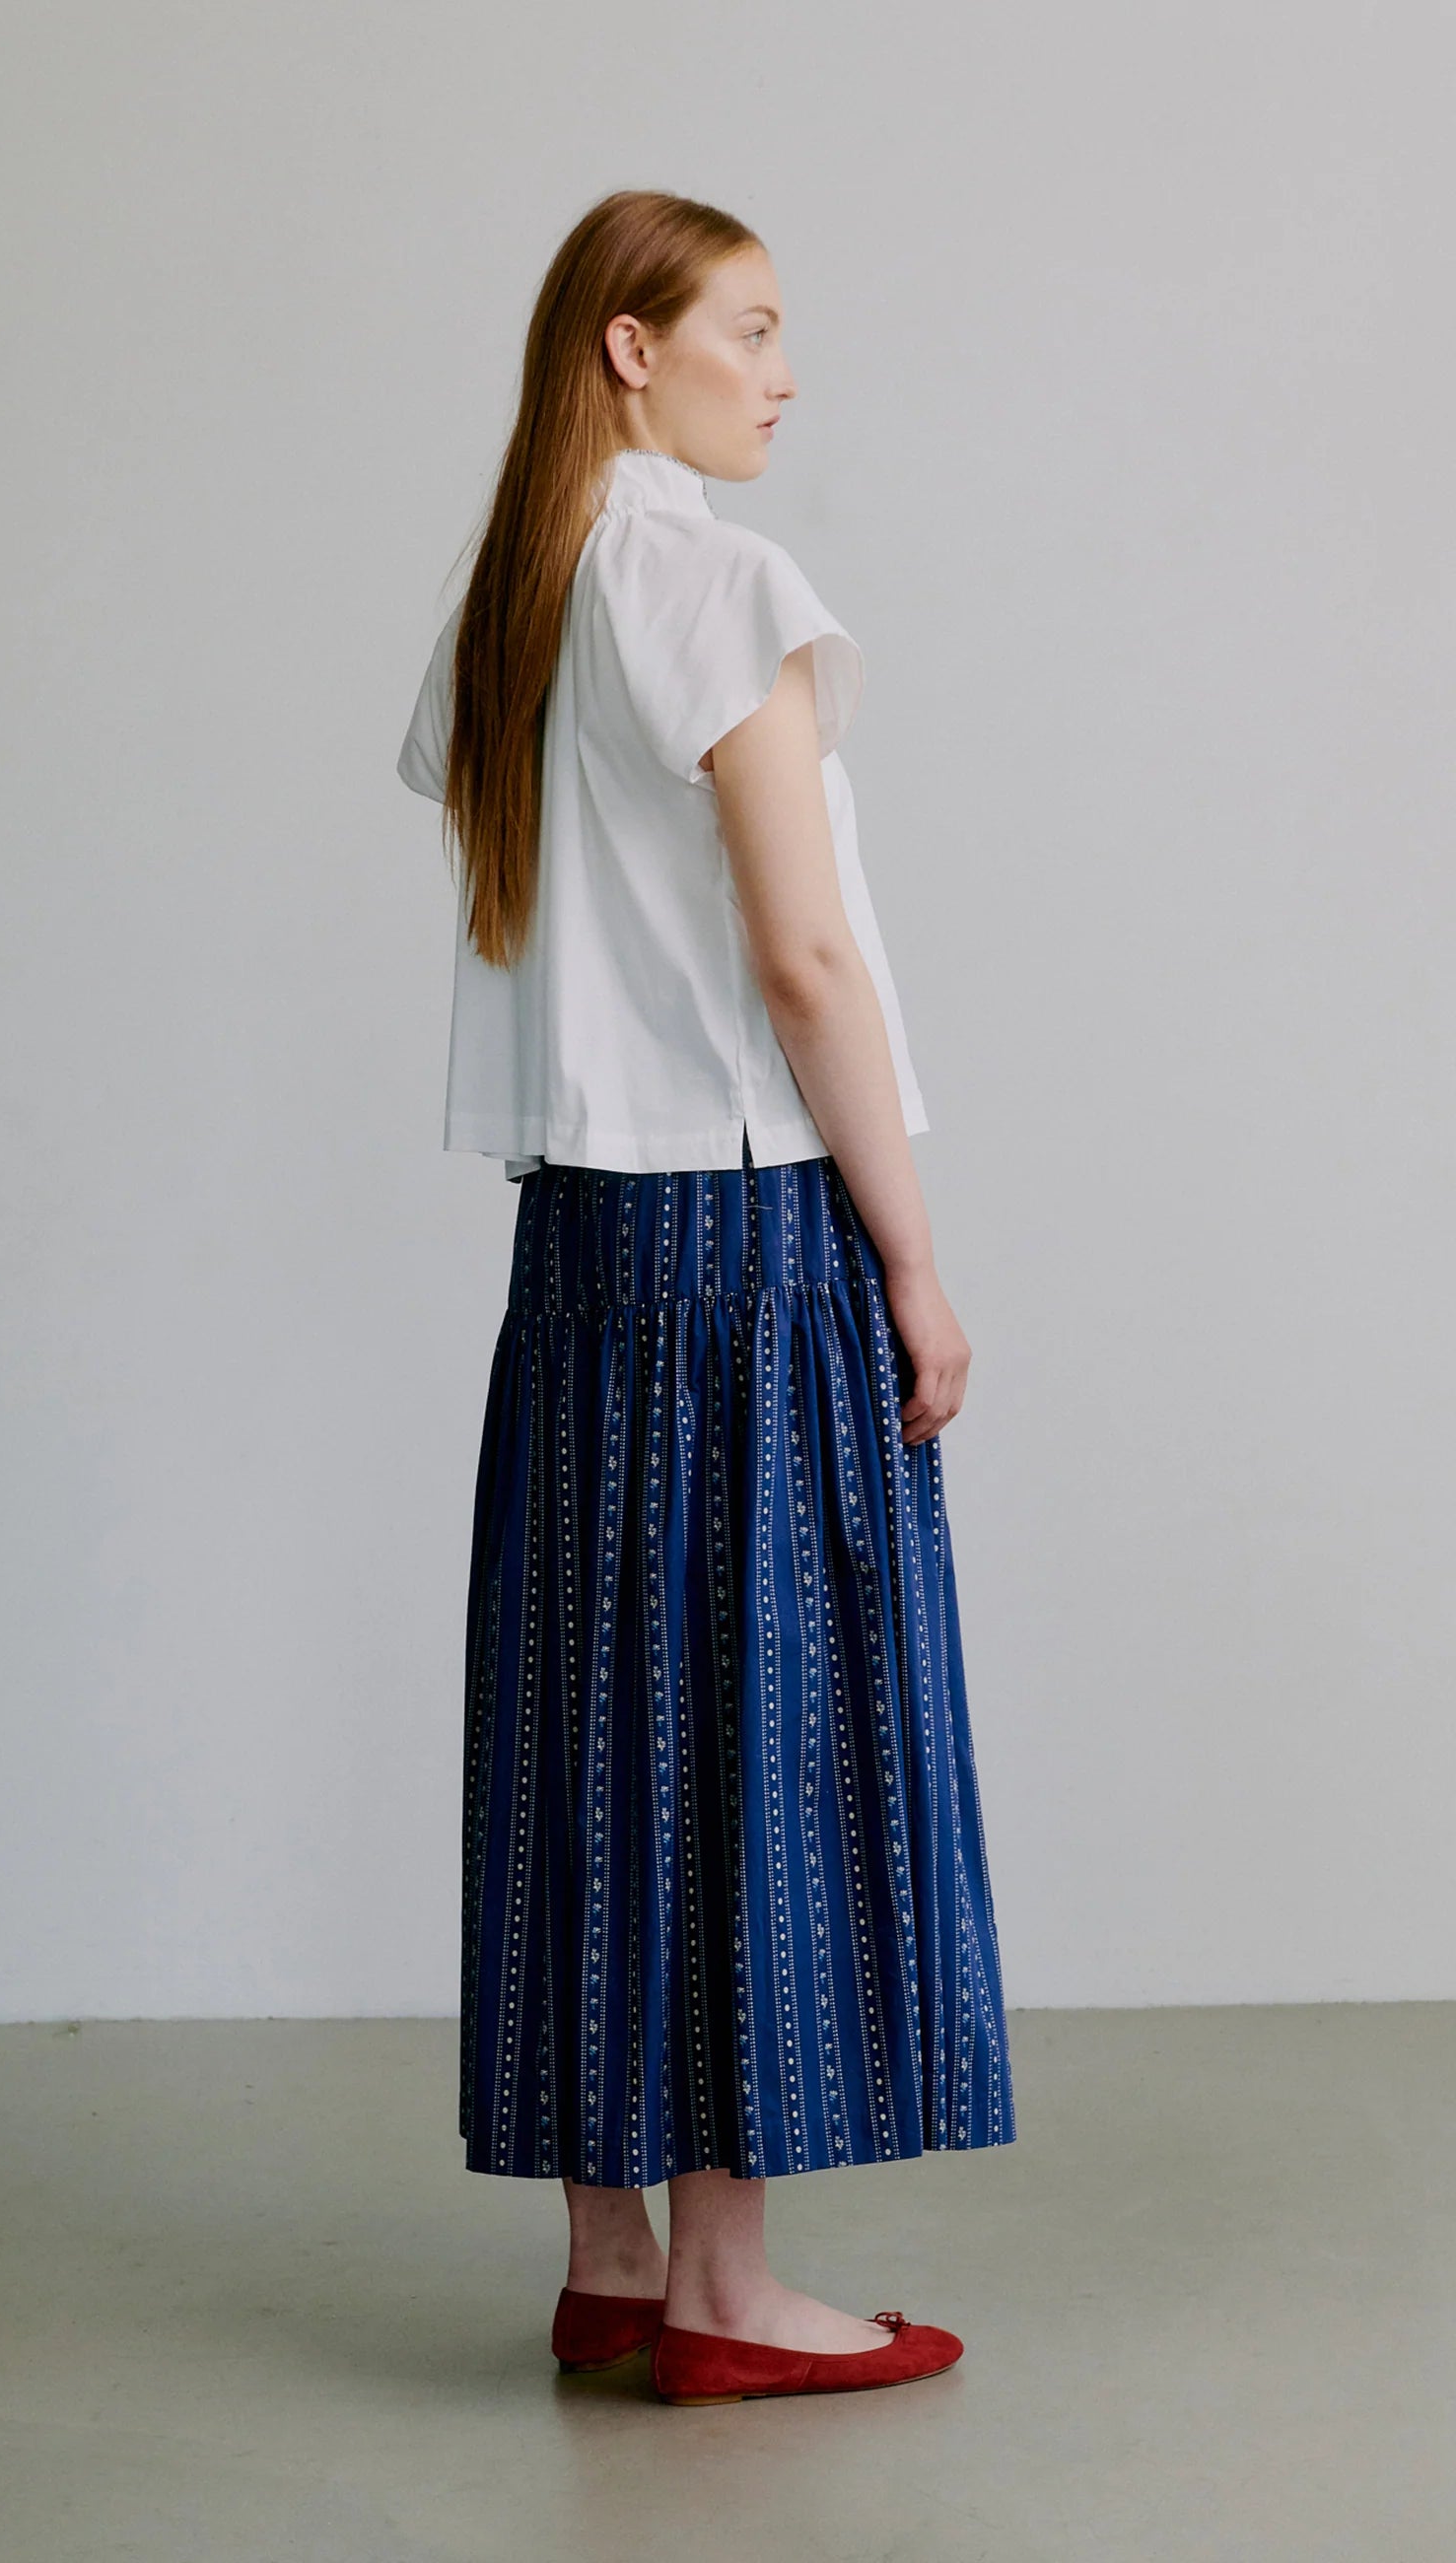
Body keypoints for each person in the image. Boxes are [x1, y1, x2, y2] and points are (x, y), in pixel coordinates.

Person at [396, 188, 1015, 2407]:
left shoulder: (515, 610)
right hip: (746, 1244)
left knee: (600, 1722)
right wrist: (913, 1258)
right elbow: (803, 959)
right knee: (756, 1728)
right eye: (749, 326)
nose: (783, 370)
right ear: (629, 347)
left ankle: (611, 2258)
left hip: (577, 1254)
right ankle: (730, 2294)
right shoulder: (713, 585)